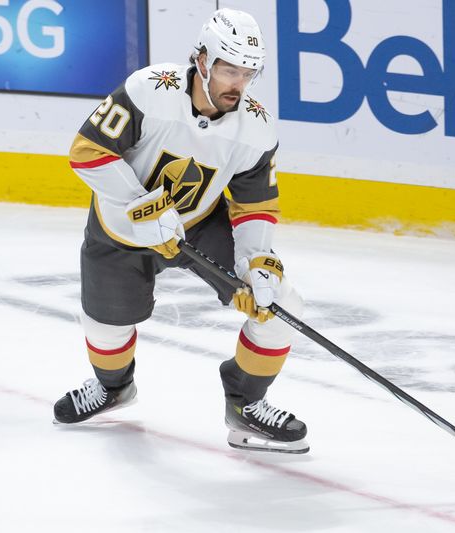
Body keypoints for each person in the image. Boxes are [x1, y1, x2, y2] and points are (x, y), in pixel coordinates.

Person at [52, 8, 308, 454]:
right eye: (229, 70)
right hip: (120, 228)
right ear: (203, 60)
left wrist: (256, 262)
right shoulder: (151, 89)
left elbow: (255, 203)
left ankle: (246, 407)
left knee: (279, 301)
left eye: (248, 73)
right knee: (105, 328)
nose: (238, 84)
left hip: (200, 225)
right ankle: (113, 388)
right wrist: (139, 205)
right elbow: (87, 151)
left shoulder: (257, 125)